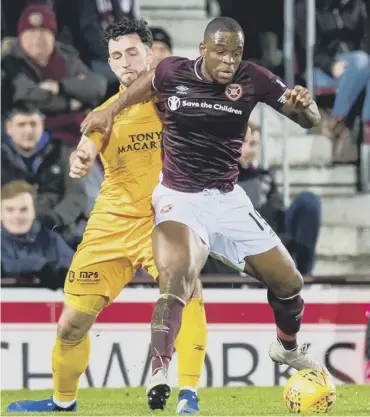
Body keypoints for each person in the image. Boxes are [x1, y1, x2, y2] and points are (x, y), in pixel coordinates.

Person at [79, 16, 328, 411]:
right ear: (203, 49)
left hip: (228, 199)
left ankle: (287, 348)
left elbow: (309, 121)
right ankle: (159, 371)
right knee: (178, 278)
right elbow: (146, 85)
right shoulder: (172, 71)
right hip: (179, 198)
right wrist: (111, 111)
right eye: (221, 52)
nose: (229, 61)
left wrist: (307, 107)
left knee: (289, 283)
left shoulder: (254, 78)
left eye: (236, 53)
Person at [6, 19, 207, 415]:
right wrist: (81, 158)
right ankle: (63, 402)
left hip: (162, 220)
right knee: (70, 326)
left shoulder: (179, 99)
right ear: (110, 63)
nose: (125, 62)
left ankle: (188, 395)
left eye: (133, 52)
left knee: (188, 291)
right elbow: (87, 143)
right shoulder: (105, 111)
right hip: (111, 224)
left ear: (151, 53)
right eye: (116, 55)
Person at [1, 3, 107, 145]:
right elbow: (27, 96)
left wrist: (60, 87)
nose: (37, 39)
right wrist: (70, 103)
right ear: (20, 37)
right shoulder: (11, 60)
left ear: (53, 36)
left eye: (44, 32)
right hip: (35, 137)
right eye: (31, 32)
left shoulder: (65, 56)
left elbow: (97, 85)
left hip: (80, 133)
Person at [238, 124, 321, 278]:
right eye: (244, 143)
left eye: (254, 144)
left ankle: (304, 275)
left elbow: (277, 214)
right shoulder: (220, 177)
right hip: (240, 247)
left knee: (308, 201)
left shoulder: (265, 176)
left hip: (272, 238)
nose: (250, 150)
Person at [2, 102, 87, 247]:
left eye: (33, 124)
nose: (28, 130)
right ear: (9, 128)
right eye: (22, 125)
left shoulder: (62, 152)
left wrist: (54, 219)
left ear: (41, 124)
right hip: (9, 234)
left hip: (59, 233)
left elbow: (76, 195)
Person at [1, 180, 73, 289]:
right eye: (10, 210)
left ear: (34, 212)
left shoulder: (51, 239)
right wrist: (39, 266)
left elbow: (77, 267)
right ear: (1, 213)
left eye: (23, 209)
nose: (17, 216)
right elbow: (6, 265)